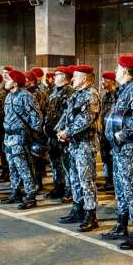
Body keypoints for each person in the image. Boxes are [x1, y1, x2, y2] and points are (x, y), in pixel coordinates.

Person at [101, 55, 133, 249]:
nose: (115, 71)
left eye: (117, 68)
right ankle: (122, 225)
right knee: (120, 188)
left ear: (125, 71)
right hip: (119, 149)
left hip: (130, 148)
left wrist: (123, 134)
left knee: (131, 189)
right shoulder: (124, 90)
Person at [56, 65, 101, 231]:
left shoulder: (91, 94)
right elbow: (69, 116)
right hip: (74, 144)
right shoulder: (76, 94)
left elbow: (86, 119)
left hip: (85, 144)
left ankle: (91, 214)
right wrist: (60, 131)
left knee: (86, 180)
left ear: (84, 79)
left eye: (75, 76)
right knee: (74, 179)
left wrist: (67, 133)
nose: (72, 79)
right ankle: (77, 209)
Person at [1, 70, 42, 209]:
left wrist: (32, 135)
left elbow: (36, 117)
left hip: (20, 137)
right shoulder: (8, 96)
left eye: (8, 79)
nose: (6, 81)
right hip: (9, 137)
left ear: (15, 82)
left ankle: (30, 196)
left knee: (24, 167)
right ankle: (15, 192)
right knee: (12, 167)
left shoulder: (26, 96)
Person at [45, 66, 73, 200]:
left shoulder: (69, 92)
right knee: (55, 162)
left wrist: (62, 131)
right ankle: (58, 186)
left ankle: (69, 189)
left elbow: (68, 115)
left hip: (62, 134)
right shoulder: (54, 91)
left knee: (66, 163)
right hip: (52, 134)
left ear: (64, 77)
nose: (54, 77)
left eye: (57, 75)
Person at [99, 71, 118, 191]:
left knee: (113, 158)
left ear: (111, 81)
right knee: (105, 157)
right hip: (104, 131)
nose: (102, 82)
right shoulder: (105, 95)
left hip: (113, 132)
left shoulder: (117, 95)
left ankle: (115, 182)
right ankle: (108, 181)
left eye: (105, 80)